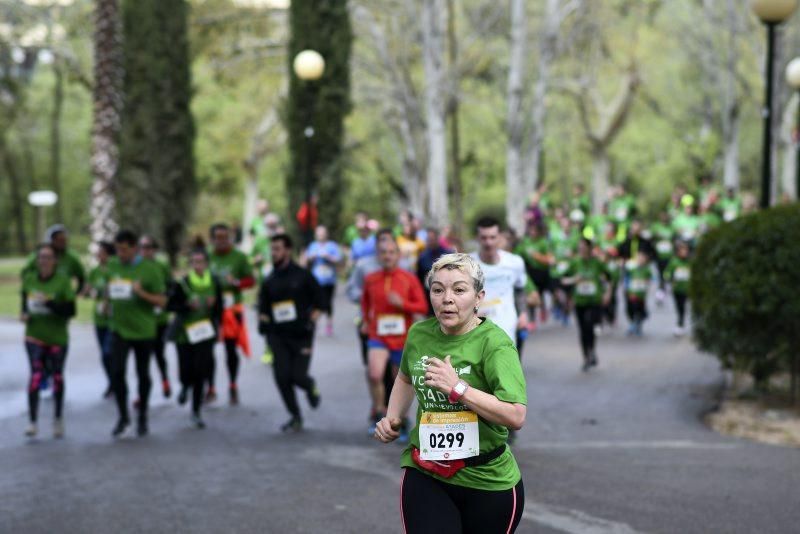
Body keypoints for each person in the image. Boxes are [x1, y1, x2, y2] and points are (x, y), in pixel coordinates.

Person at [374, 253, 526, 534]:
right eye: (438, 289)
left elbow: (515, 415)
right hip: (426, 471)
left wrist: (458, 388)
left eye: (459, 289)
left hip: (487, 479)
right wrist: (392, 417)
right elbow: (406, 377)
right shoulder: (419, 334)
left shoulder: (495, 344)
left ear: (478, 297)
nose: (447, 298)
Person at [361, 237, 427, 436]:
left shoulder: (409, 278)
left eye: (391, 252)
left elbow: (423, 306)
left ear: (398, 255)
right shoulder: (371, 279)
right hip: (378, 335)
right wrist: (365, 319)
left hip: (402, 337)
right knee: (374, 374)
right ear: (378, 256)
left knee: (400, 380)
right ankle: (379, 413)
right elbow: (365, 302)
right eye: (383, 252)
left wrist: (403, 304)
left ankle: (402, 420)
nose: (387, 256)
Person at [258, 234, 323, 432]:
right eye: (272, 249)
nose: (274, 252)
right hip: (278, 336)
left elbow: (321, 302)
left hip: (302, 335)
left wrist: (311, 322)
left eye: (277, 248)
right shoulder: (269, 280)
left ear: (287, 250)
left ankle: (310, 385)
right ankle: (295, 415)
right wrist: (263, 324)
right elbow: (263, 309)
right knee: (281, 377)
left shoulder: (303, 275)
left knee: (298, 376)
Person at [107, 230, 167, 437]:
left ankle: (142, 417)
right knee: (117, 372)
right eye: (117, 249)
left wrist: (141, 293)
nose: (120, 254)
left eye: (124, 249)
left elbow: (162, 301)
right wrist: (106, 302)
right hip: (119, 329)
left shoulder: (149, 269)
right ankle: (123, 416)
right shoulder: (113, 265)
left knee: (143, 374)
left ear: (134, 248)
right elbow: (110, 288)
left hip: (143, 331)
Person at [20, 244, 76, 438]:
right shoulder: (29, 279)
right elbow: (24, 304)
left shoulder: (62, 282)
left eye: (48, 257)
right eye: (41, 257)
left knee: (57, 377)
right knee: (35, 376)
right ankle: (32, 422)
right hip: (34, 336)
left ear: (55, 261)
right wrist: (24, 314)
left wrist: (50, 304)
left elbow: (71, 311)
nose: (44, 261)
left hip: (57, 339)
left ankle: (58, 419)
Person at [167, 248, 223, 428]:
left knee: (201, 370)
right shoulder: (183, 283)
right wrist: (186, 305)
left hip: (205, 332)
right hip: (184, 334)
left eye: (201, 262)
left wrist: (215, 311)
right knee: (186, 368)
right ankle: (184, 386)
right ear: (190, 264)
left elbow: (220, 308)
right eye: (194, 262)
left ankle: (196, 411)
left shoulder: (214, 281)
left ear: (206, 264)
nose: (198, 265)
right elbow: (171, 305)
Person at [208, 223, 255, 405]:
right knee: (206, 351)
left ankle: (233, 385)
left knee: (230, 350)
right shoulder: (207, 257)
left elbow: (251, 280)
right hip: (210, 311)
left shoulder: (239, 257)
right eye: (218, 238)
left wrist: (235, 283)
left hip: (231, 310)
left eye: (225, 238)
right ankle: (210, 386)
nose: (222, 241)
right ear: (212, 239)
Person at [472, 217, 528, 344]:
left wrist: (523, 314)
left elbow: (520, 289)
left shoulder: (515, 262)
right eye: (484, 238)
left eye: (492, 237)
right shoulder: (467, 264)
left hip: (507, 325)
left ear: (500, 237)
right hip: (476, 327)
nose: (488, 242)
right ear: (477, 238)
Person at [563, 239, 612, 371]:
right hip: (579, 301)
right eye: (579, 247)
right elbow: (563, 279)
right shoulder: (574, 263)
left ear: (590, 248)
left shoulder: (597, 263)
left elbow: (609, 278)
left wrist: (607, 293)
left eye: (584, 247)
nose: (581, 249)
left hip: (594, 301)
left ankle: (592, 350)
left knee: (591, 326)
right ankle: (586, 356)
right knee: (583, 329)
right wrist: (574, 280)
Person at [139, 236, 173, 398]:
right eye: (142, 247)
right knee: (142, 358)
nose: (145, 250)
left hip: (160, 318)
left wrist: (164, 299)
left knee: (159, 353)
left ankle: (165, 380)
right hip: (142, 318)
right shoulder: (136, 266)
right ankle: (142, 392)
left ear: (154, 249)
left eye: (148, 247)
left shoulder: (161, 265)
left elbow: (171, 286)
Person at [84, 241, 116, 398]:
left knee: (108, 353)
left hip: (113, 318)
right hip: (99, 319)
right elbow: (88, 290)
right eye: (97, 252)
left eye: (101, 252)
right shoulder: (94, 271)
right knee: (103, 354)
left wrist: (107, 299)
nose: (98, 255)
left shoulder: (114, 270)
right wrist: (86, 291)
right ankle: (112, 383)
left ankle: (116, 382)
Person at [305, 225, 342, 336]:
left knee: (327, 302)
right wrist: (312, 257)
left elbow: (338, 260)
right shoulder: (312, 246)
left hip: (329, 280)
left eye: (323, 233)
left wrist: (328, 257)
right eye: (319, 233)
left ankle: (329, 324)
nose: (321, 236)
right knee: (315, 302)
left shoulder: (332, 246)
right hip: (316, 280)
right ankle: (314, 322)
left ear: (327, 234)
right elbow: (306, 260)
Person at [416, 227, 453, 315]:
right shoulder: (422, 257)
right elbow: (419, 277)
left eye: (432, 239)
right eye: (428, 239)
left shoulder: (448, 254)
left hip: (446, 294)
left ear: (438, 238)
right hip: (428, 295)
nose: (430, 242)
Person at [665, 241, 692, 337]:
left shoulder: (690, 262)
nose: (684, 252)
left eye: (686, 250)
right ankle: (680, 324)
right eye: (682, 250)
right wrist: (670, 280)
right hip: (677, 289)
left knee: (685, 306)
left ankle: (681, 323)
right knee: (679, 307)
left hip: (688, 289)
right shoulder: (674, 262)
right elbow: (667, 273)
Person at [624, 250, 651, 336]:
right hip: (632, 293)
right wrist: (627, 289)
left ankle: (638, 325)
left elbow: (649, 280)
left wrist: (646, 286)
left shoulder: (647, 270)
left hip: (641, 294)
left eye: (642, 258)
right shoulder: (631, 269)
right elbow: (627, 279)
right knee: (631, 309)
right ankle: (633, 323)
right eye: (639, 258)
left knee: (640, 310)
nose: (640, 259)